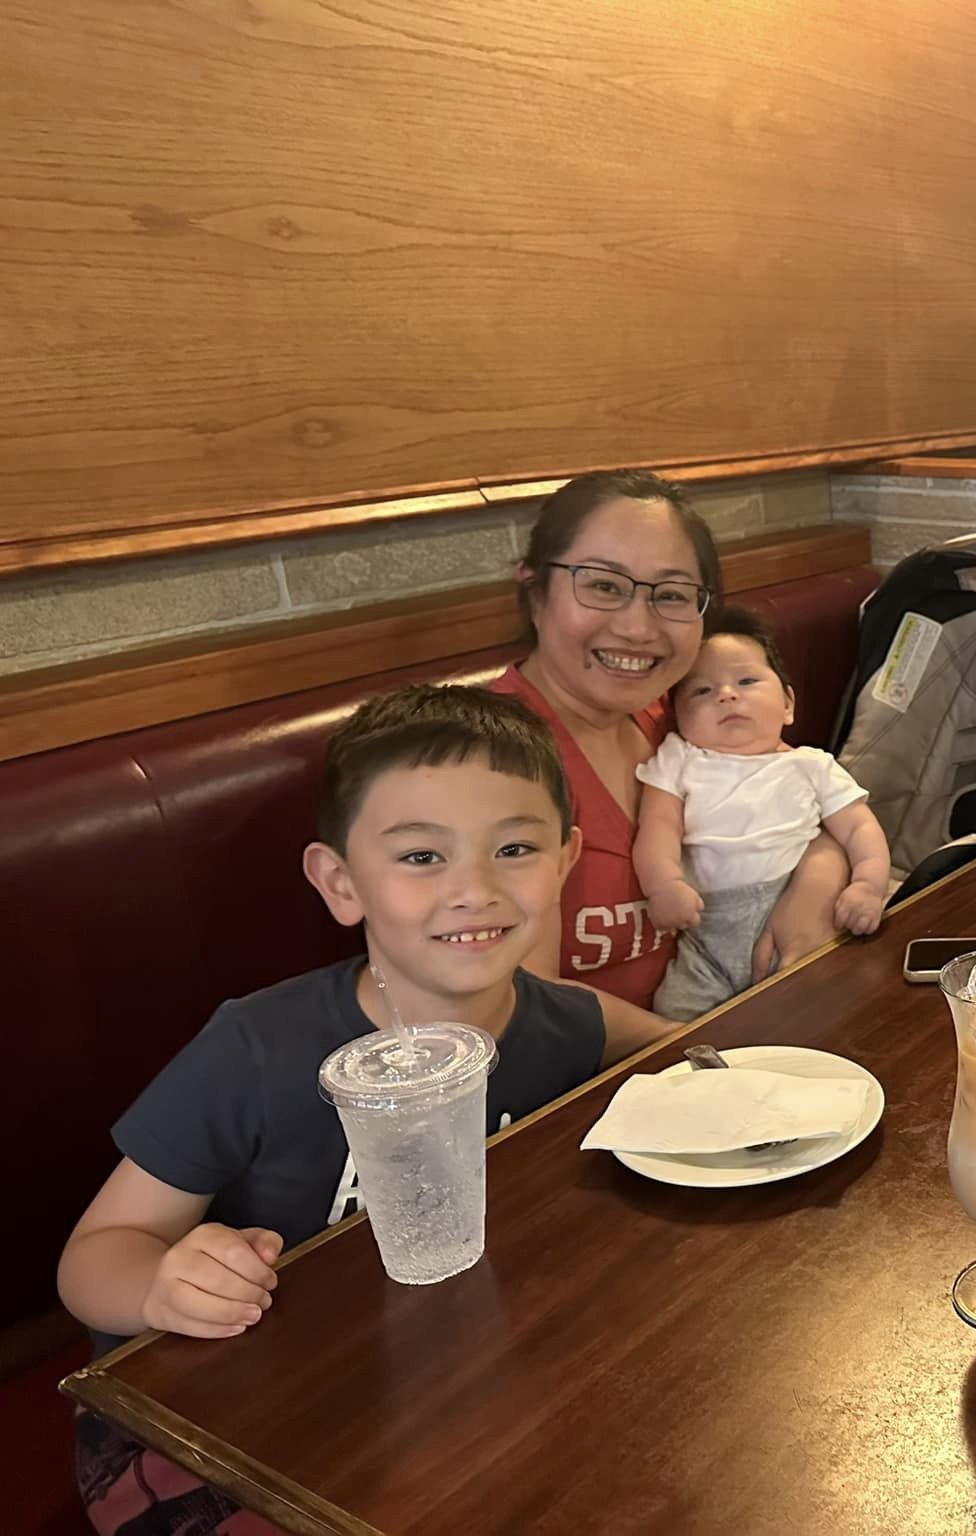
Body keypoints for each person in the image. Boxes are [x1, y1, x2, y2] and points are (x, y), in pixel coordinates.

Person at [56, 685, 682, 1535]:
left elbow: (697, 1051)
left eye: (515, 848)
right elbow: (93, 1258)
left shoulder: (568, 1022)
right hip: (205, 1421)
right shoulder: (257, 1048)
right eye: (422, 856)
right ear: (341, 882)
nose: (474, 889)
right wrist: (163, 1289)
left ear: (566, 860)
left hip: (441, 1386)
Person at [496, 469, 849, 1007]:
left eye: (671, 594)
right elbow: (523, 1005)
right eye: (603, 586)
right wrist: (708, 1041)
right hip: (632, 1053)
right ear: (534, 591)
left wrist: (814, 889)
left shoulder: (689, 710)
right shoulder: (487, 760)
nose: (638, 628)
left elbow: (810, 800)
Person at [633, 606, 890, 1018]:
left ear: (788, 703)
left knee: (831, 1008)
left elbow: (859, 827)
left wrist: (868, 885)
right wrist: (663, 884)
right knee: (677, 1012)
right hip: (706, 932)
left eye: (747, 681)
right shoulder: (679, 758)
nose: (726, 695)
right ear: (677, 717)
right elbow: (658, 825)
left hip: (791, 902)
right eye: (702, 691)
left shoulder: (810, 765)